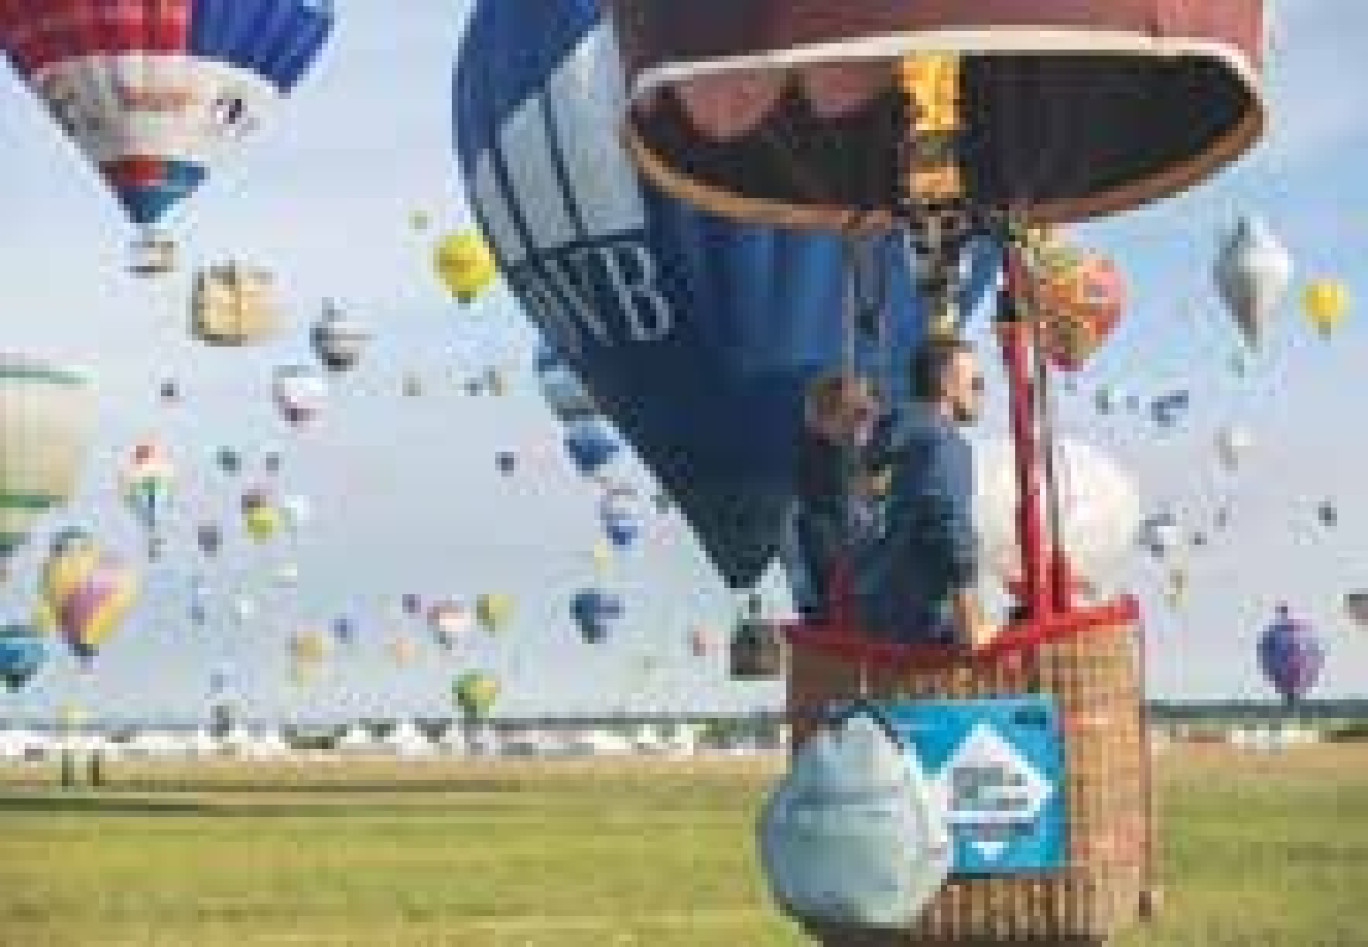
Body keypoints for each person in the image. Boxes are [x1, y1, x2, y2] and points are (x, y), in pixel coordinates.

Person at [854, 337, 999, 650]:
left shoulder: (894, 441)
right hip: (921, 619)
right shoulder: (943, 442)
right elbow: (948, 526)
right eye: (975, 382)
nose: (983, 392)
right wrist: (970, 621)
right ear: (946, 385)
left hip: (874, 609)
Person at [790, 371, 884, 618]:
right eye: (861, 413)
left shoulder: (853, 474)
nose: (869, 420)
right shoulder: (823, 472)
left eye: (871, 413)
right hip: (844, 602)